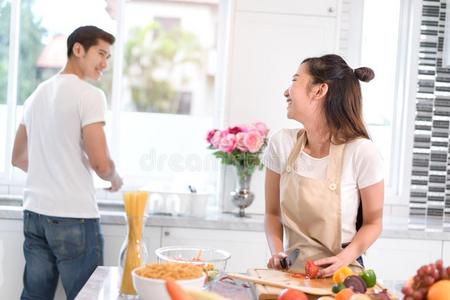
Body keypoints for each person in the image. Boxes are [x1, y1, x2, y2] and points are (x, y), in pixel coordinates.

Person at [11, 25, 123, 300]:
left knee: (35, 296)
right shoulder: (89, 95)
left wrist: (51, 170)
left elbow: (18, 157)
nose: (104, 63)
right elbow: (100, 163)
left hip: (35, 214)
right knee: (88, 296)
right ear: (77, 49)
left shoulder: (36, 95)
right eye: (100, 53)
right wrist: (114, 178)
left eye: (108, 57)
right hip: (74, 217)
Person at [263, 54, 384, 277]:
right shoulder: (281, 143)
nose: (286, 91)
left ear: (319, 90)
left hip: (343, 274)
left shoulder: (361, 152)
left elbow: (373, 222)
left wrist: (343, 259)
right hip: (292, 274)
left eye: (294, 80)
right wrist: (277, 253)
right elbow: (272, 214)